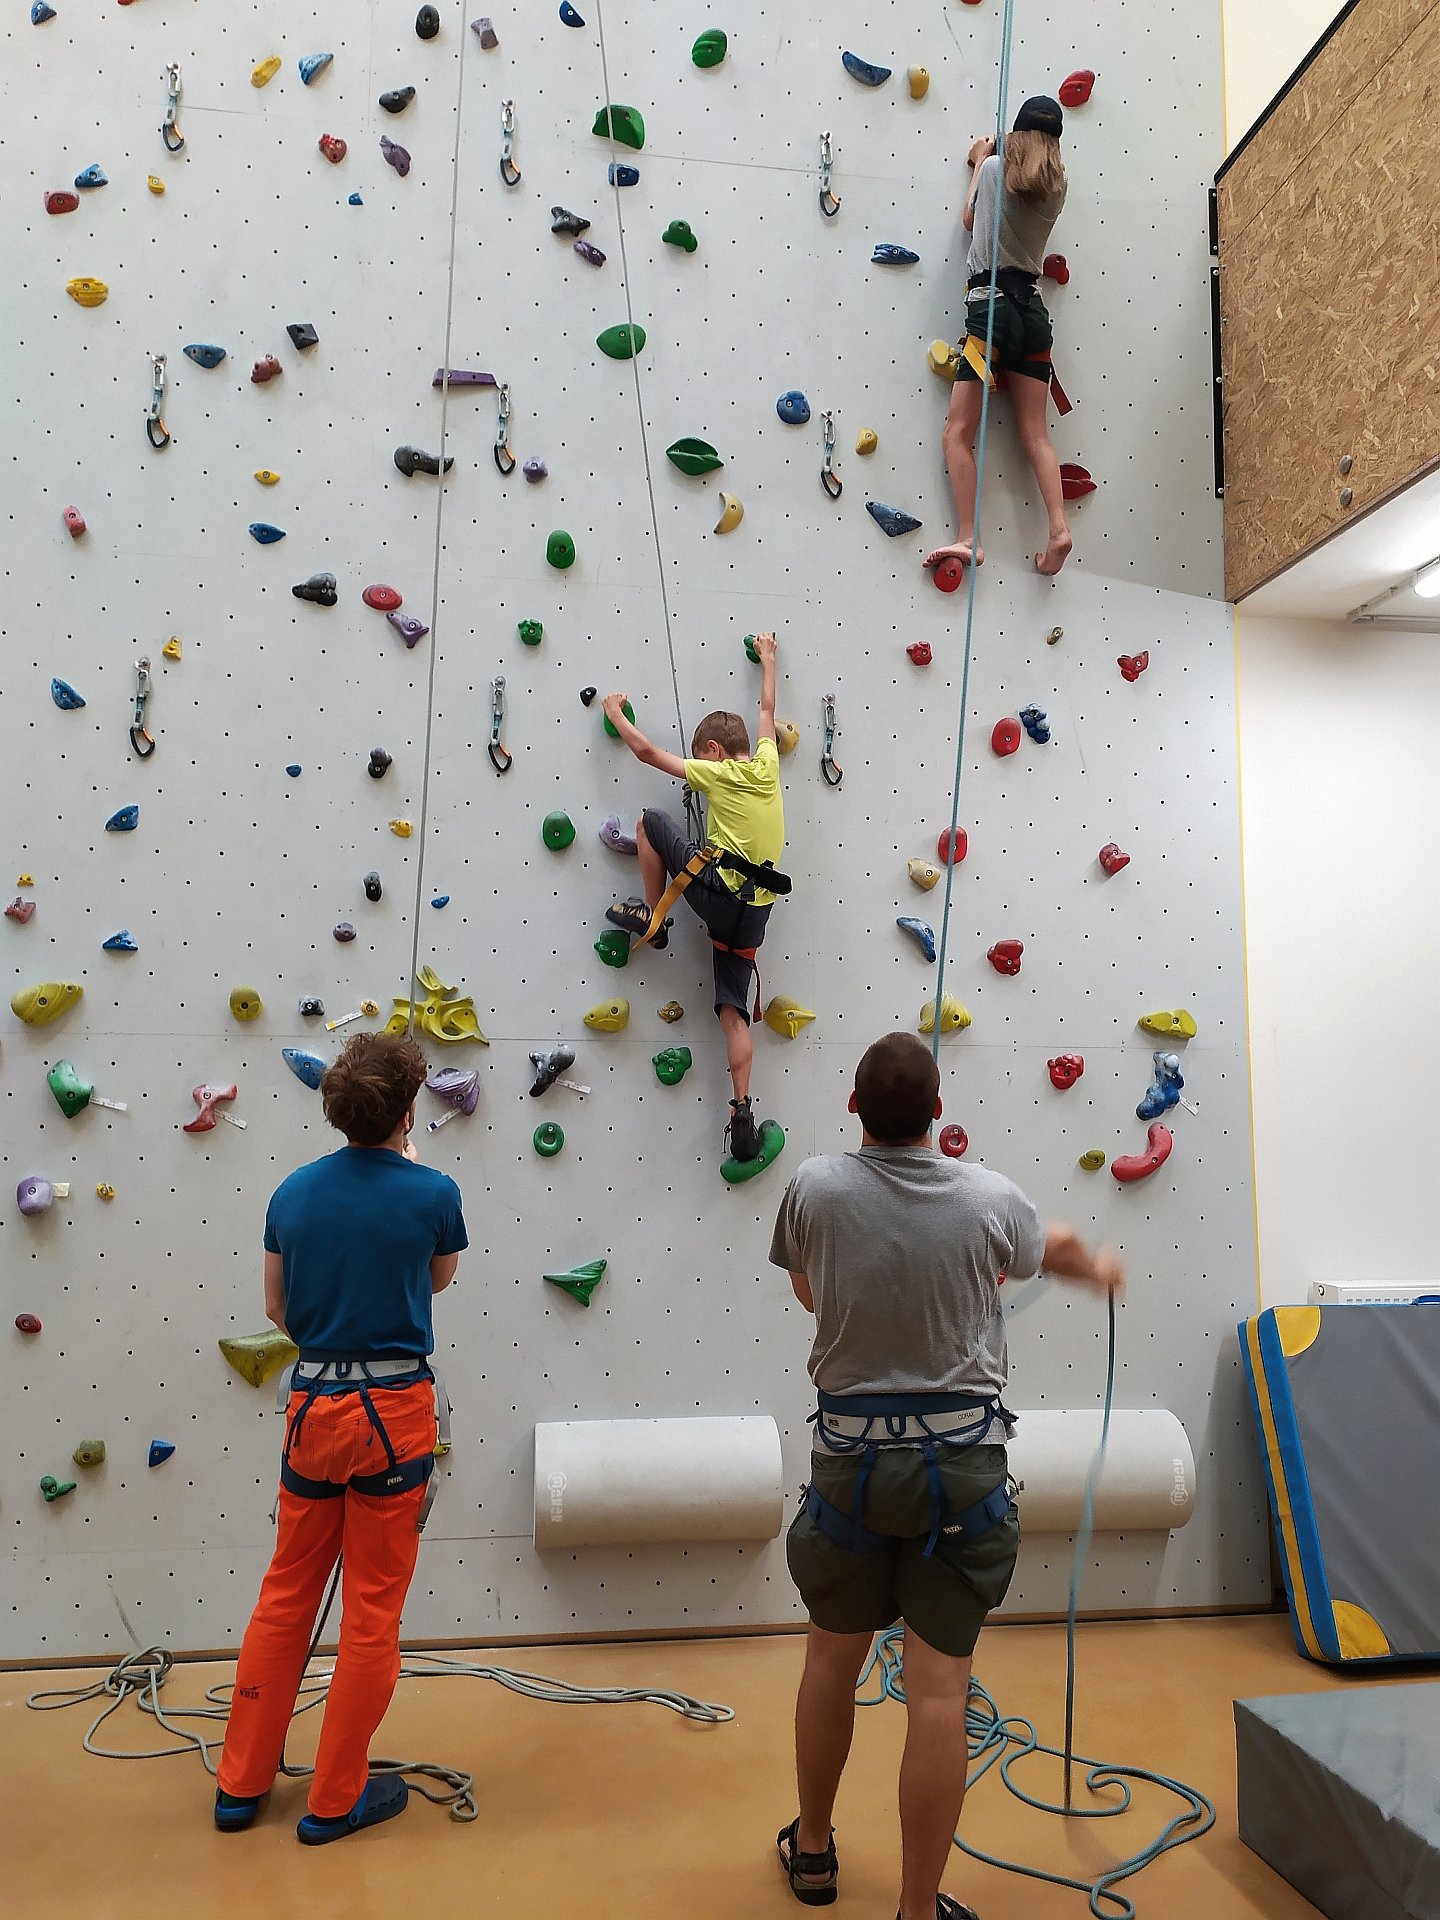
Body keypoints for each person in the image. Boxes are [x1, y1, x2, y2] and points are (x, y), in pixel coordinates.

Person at [768, 1032, 1124, 1920]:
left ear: (854, 1107)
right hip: (960, 1474)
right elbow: (1055, 1246)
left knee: (831, 1662)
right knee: (938, 1693)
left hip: (849, 1467)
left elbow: (810, 1292)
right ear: (938, 1112)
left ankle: (812, 1852)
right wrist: (1095, 1269)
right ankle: (918, 1908)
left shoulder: (812, 1186)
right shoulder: (989, 1197)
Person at [215, 1031, 467, 1844]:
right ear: (407, 1112)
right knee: (371, 1611)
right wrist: (410, 1171)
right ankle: (333, 1800)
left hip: (313, 1410)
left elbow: (276, 1309)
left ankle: (240, 1785)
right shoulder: (434, 1193)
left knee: (287, 1593)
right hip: (394, 1414)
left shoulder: (291, 1193)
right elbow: (437, 1278)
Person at [601, 632, 785, 1163]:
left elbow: (646, 752)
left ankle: (652, 916)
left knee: (649, 821)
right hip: (755, 914)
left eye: (701, 753)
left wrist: (615, 712)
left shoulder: (720, 772)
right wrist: (768, 658)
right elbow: (767, 709)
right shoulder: (768, 764)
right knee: (733, 1012)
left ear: (713, 751)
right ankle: (742, 1110)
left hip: (720, 893)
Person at [923, 95, 1071, 582]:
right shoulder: (1058, 189)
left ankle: (970, 537)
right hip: (1033, 315)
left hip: (991, 313)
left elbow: (970, 221)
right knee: (1035, 434)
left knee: (957, 433)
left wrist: (979, 159)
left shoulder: (992, 171)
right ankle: (1058, 529)